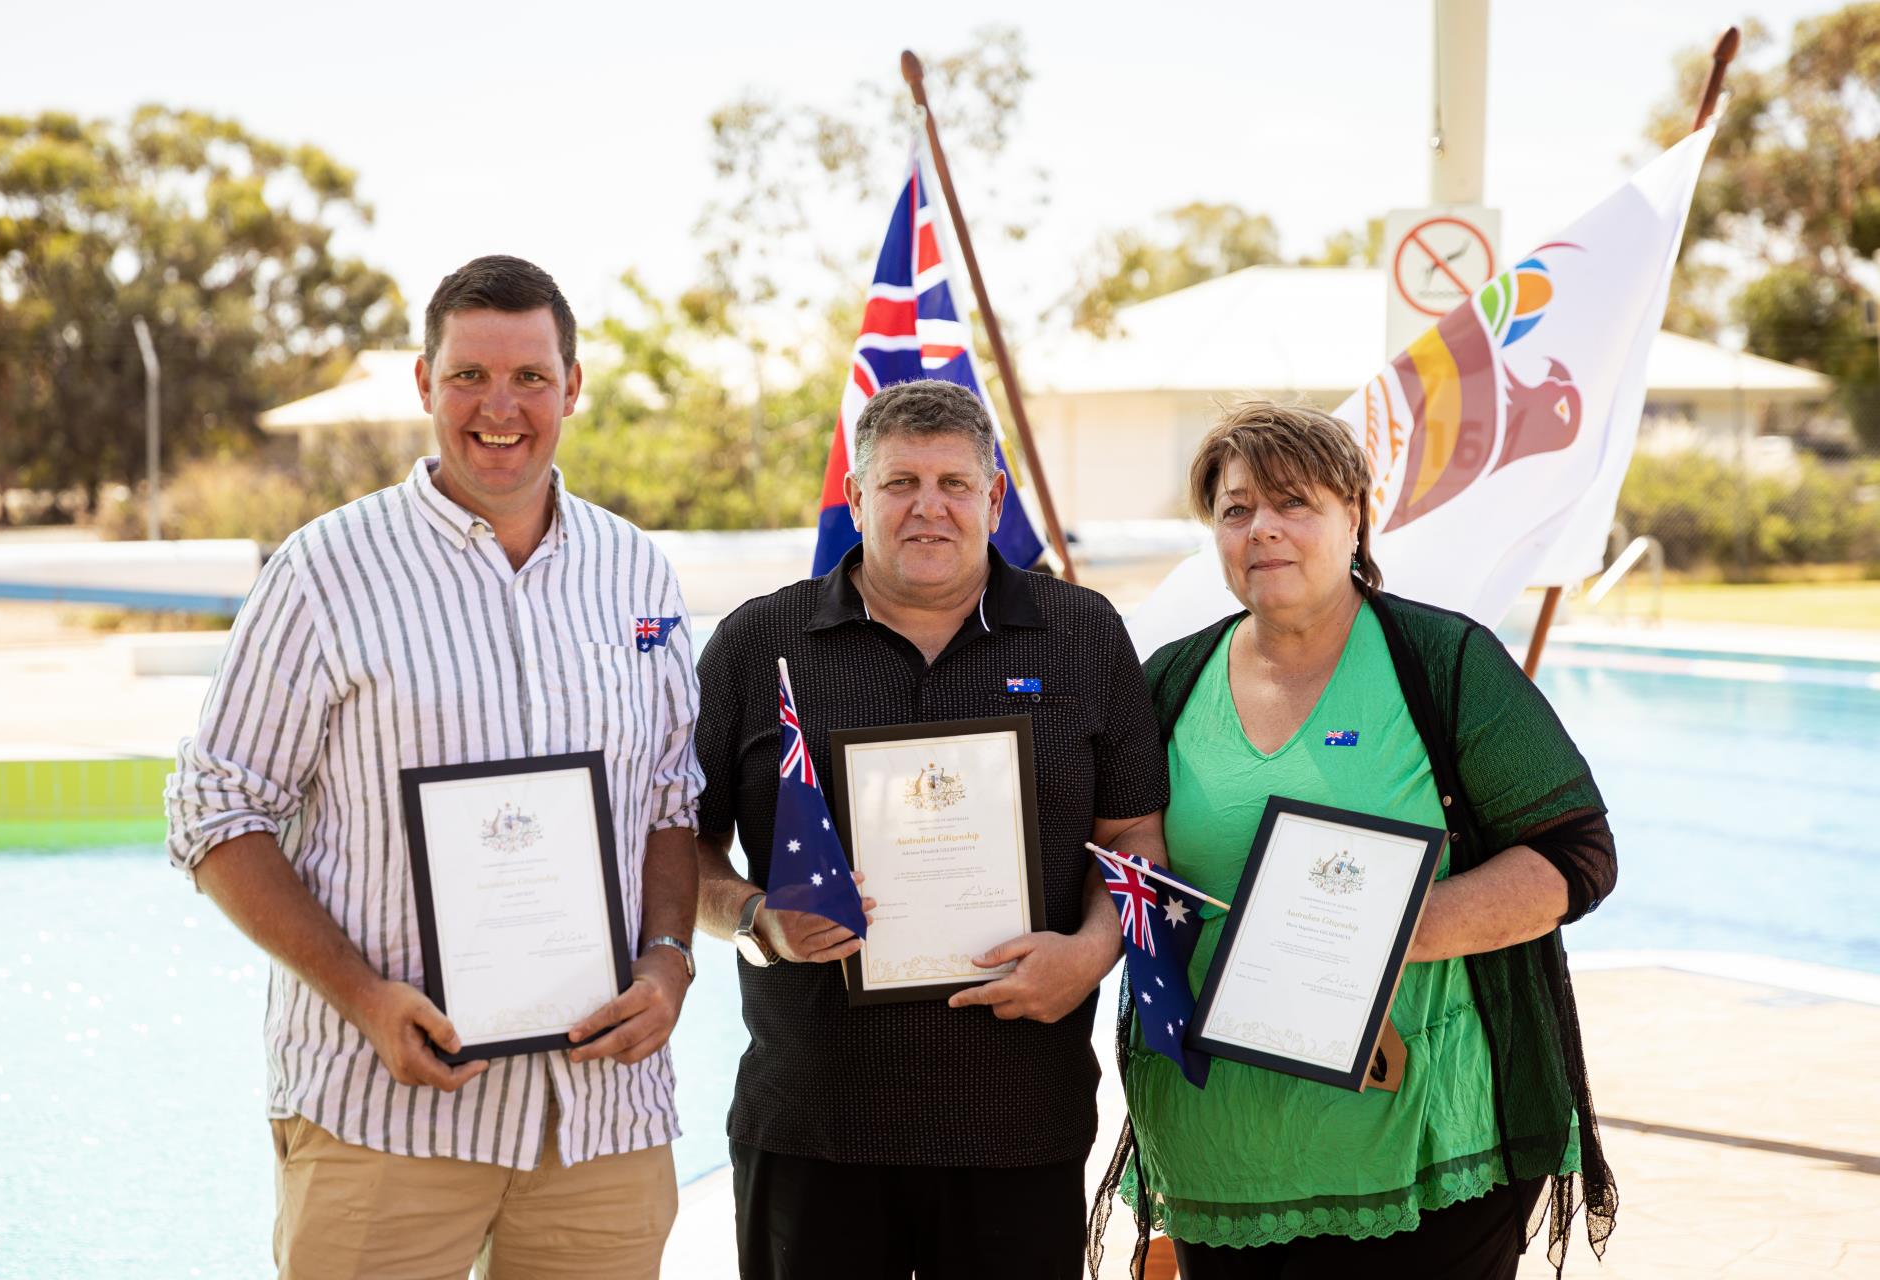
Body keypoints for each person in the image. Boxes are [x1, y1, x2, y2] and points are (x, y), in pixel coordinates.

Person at [165, 255, 703, 1279]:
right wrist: (365, 996)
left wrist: (669, 961)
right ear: (424, 383)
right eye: (469, 376)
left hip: (601, 1120)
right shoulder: (323, 573)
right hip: (386, 1117)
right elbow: (214, 810)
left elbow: (669, 799)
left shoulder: (635, 571)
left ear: (572, 387)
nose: (500, 407)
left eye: (530, 377)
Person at [1094, 402, 1618, 1279]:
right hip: (1221, 1148)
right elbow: (1119, 858)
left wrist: (1376, 940)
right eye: (1234, 509)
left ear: (1353, 518)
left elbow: (1576, 855)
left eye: (1292, 502)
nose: (1261, 528)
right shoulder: (1168, 681)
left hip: (1421, 1144)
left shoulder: (1442, 663)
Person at [693, 378, 1170, 1279]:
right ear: (855, 497)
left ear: (993, 498)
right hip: (811, 1121)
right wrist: (757, 920)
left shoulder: (1081, 633)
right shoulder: (759, 643)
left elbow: (1134, 836)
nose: (928, 507)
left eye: (953, 483)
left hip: (1018, 1120)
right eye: (900, 483)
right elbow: (679, 849)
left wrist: (1091, 952)